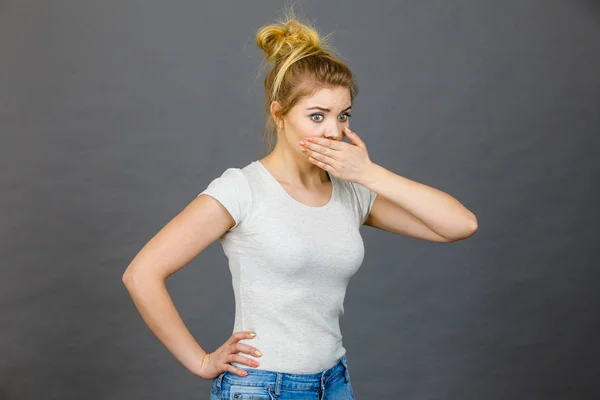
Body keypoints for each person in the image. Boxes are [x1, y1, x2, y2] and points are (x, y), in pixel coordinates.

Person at [122, 8, 478, 400]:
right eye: (316, 115)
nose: (333, 131)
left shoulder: (352, 190)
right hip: (262, 388)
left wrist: (370, 173)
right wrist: (201, 361)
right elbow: (142, 274)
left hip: (334, 382)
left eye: (343, 116)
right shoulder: (242, 190)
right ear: (280, 115)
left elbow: (459, 225)